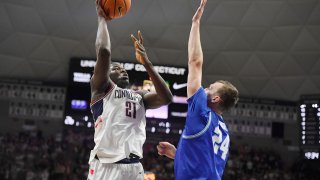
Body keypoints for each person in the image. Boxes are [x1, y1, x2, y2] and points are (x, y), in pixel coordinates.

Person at [87, 1, 173, 180]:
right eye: (116, 68)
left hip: (134, 168)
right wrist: (102, 19)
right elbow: (104, 51)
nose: (122, 70)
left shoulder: (140, 97)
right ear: (105, 74)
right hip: (106, 167)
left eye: (123, 68)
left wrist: (147, 63)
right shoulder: (102, 89)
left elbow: (167, 98)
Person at [157, 0, 239, 179]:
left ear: (216, 99)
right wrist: (178, 154)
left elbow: (195, 63)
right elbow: (205, 164)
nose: (205, 88)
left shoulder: (202, 113)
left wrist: (195, 23)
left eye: (211, 88)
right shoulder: (223, 131)